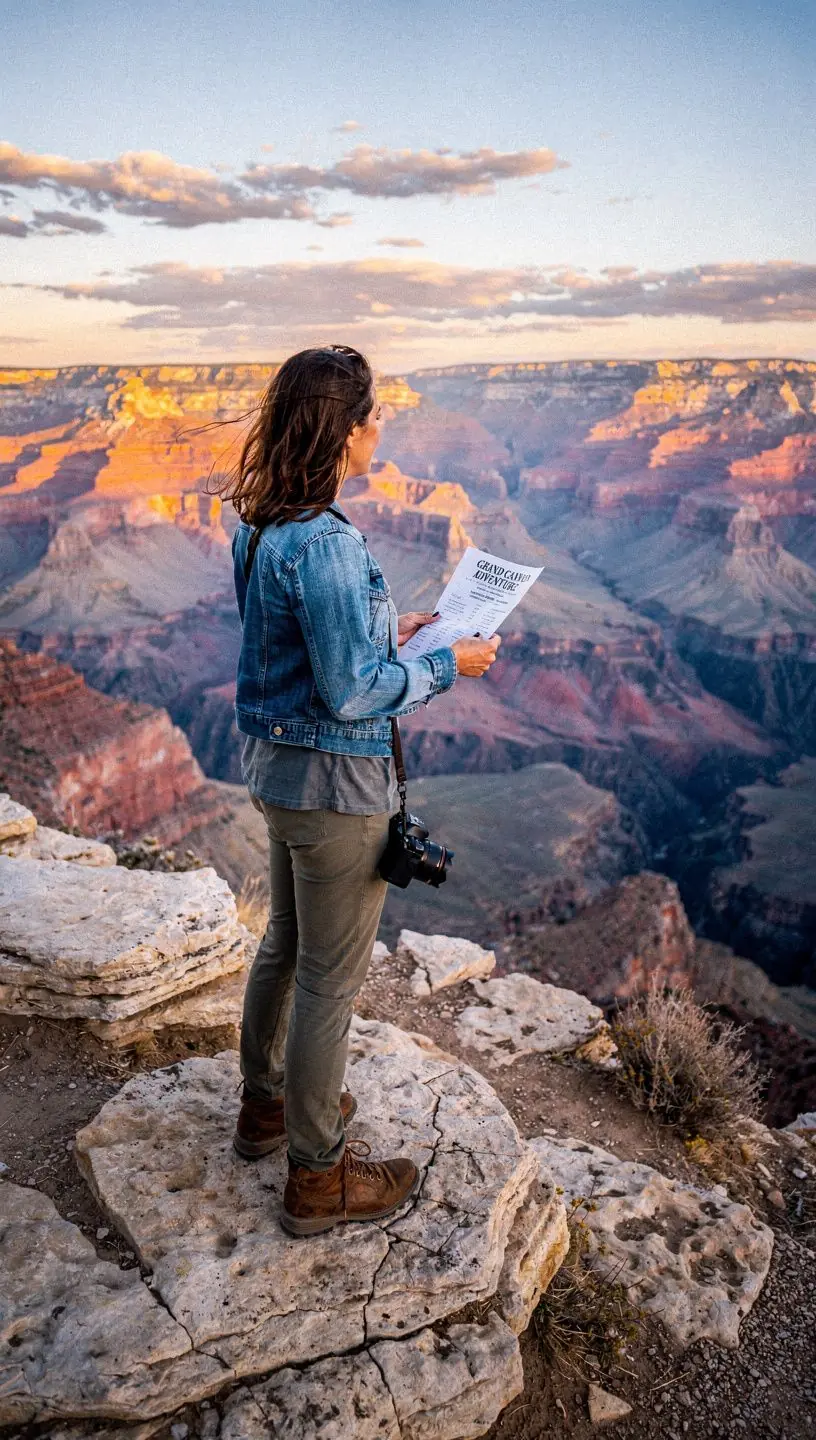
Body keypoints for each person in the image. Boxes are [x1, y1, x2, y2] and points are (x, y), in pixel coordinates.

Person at [218, 344, 500, 1237]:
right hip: (338, 789)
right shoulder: (328, 543)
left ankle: (265, 1107)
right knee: (329, 982)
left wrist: (391, 629)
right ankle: (318, 1174)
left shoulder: (260, 524)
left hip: (278, 776)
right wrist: (448, 664)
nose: (383, 427)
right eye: (375, 414)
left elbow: (294, 648)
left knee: (285, 945)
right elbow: (349, 694)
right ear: (344, 430)